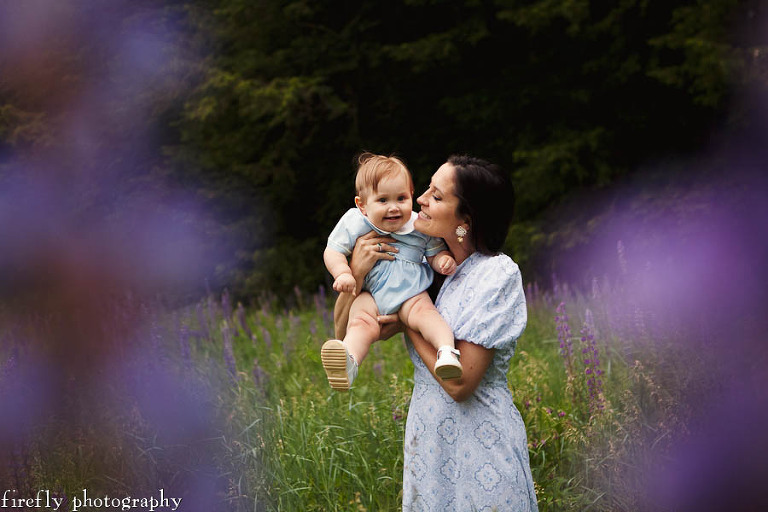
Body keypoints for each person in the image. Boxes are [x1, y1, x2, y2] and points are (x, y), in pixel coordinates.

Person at [334, 155, 538, 511]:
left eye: (437, 195)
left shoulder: (496, 275)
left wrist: (406, 320)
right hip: (429, 443)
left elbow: (461, 385)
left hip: (482, 444)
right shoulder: (423, 269)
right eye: (427, 189)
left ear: (465, 220)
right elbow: (342, 332)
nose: (420, 199)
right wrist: (358, 272)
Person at [321, 153, 463, 391]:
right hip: (370, 294)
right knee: (360, 323)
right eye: (383, 200)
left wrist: (443, 261)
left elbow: (434, 253)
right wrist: (343, 273)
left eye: (401, 198)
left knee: (426, 314)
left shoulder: (419, 225)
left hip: (411, 292)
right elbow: (333, 251)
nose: (394, 207)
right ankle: (349, 361)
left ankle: (447, 351)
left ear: (411, 195)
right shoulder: (355, 222)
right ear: (362, 205)